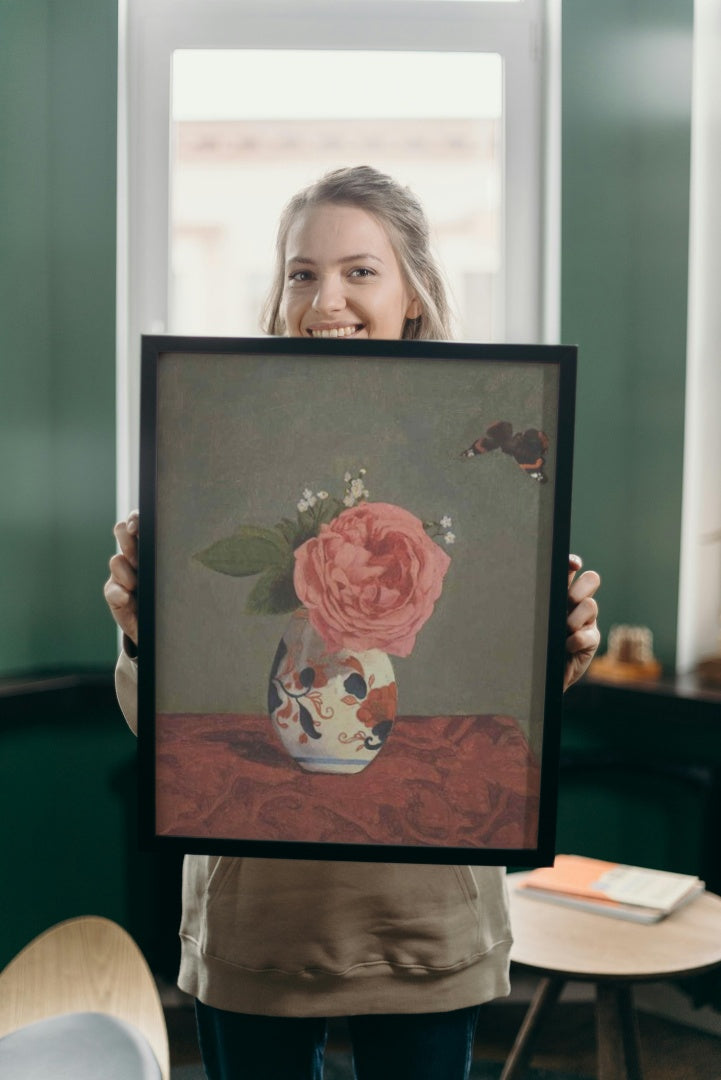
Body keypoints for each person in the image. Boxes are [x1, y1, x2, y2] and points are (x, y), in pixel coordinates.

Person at [105, 166, 601, 1080]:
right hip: (258, 918)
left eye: (358, 271)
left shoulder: (486, 456)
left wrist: (558, 648)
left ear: (412, 291)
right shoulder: (209, 446)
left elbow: (497, 698)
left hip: (424, 918)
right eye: (301, 272)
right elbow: (167, 727)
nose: (324, 297)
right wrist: (144, 635)